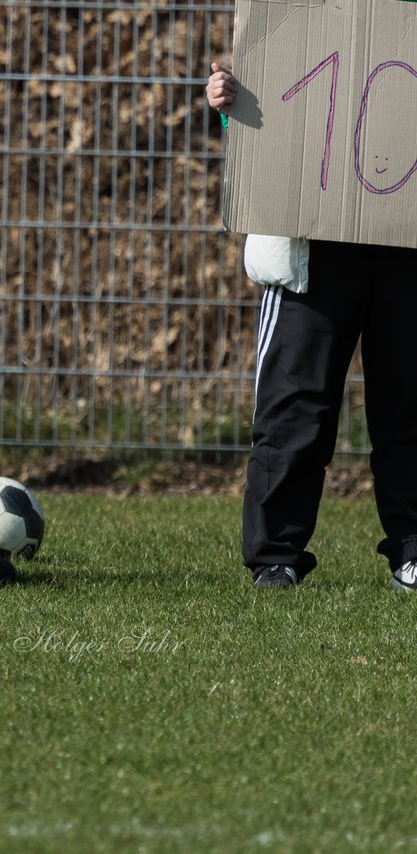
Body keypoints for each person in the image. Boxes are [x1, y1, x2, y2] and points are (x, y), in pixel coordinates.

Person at [206, 63, 417, 590]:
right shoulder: (291, 11)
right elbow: (272, 112)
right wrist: (232, 102)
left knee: (410, 407)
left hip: (407, 241)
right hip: (307, 244)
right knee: (293, 408)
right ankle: (275, 555)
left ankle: (413, 550)